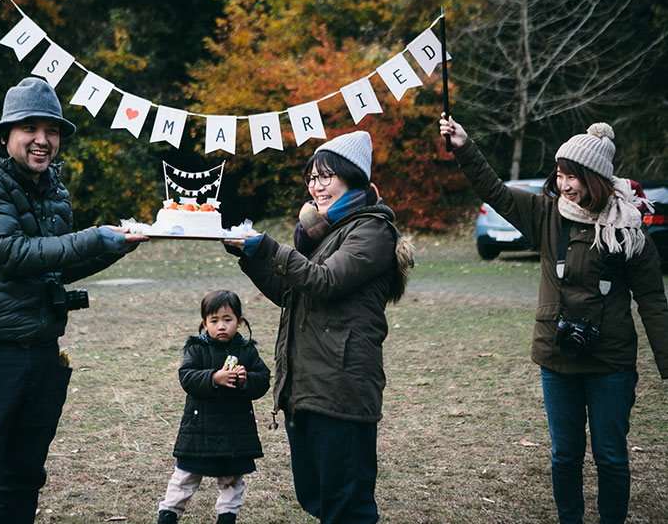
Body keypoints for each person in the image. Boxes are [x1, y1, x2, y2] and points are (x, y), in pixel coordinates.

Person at [0, 76, 148, 523]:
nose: (43, 140)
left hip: (40, 353)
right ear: (4, 133)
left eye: (51, 130)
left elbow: (54, 266)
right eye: (30, 129)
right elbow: (11, 253)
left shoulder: (51, 188)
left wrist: (115, 247)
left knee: (24, 479)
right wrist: (95, 237)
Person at [439, 115, 668, 524]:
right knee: (565, 455)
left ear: (595, 177)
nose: (564, 184)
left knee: (611, 456)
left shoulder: (628, 228)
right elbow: (495, 190)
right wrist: (464, 145)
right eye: (560, 175)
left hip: (611, 362)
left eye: (573, 177)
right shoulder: (546, 215)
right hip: (556, 358)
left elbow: (652, 298)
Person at [223, 131, 414, 524]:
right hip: (306, 384)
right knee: (317, 497)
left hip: (341, 387)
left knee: (347, 507)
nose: (316, 185)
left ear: (353, 178)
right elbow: (293, 292)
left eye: (326, 176)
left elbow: (324, 282)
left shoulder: (372, 230)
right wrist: (249, 256)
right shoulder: (320, 231)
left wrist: (270, 248)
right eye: (312, 177)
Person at [156, 290, 270, 524]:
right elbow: (186, 377)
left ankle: (227, 517)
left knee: (232, 480)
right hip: (199, 429)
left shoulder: (246, 350)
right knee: (185, 476)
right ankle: (168, 515)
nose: (221, 326)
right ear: (204, 323)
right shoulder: (197, 348)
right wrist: (213, 378)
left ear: (239, 321)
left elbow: (263, 379)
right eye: (214, 320)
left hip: (235, 431)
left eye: (227, 320)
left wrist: (245, 379)